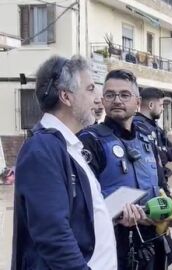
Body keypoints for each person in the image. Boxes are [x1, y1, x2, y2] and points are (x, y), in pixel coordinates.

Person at [12, 55, 123, 269]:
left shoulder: (67, 146)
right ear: (66, 96)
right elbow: (53, 235)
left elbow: (73, 215)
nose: (98, 99)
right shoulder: (42, 149)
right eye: (90, 89)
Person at [78, 69, 172, 270]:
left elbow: (161, 186)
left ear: (137, 101)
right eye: (110, 95)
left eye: (124, 95)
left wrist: (171, 212)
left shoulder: (146, 138)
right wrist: (115, 216)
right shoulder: (89, 141)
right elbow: (81, 206)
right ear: (103, 99)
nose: (117, 100)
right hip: (113, 248)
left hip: (153, 245)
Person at [133, 87, 172, 198]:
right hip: (146, 185)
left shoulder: (156, 128)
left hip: (160, 182)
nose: (162, 109)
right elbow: (151, 158)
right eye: (161, 105)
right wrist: (159, 152)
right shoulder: (135, 127)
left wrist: (161, 151)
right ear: (151, 105)